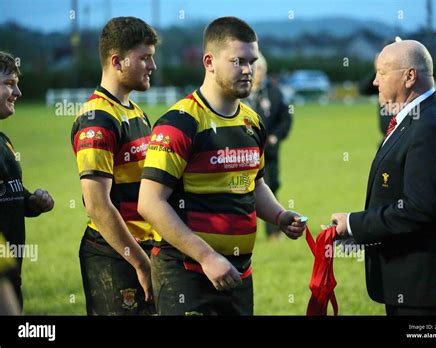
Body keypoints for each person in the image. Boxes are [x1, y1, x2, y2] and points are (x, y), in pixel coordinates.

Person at [138, 16, 306, 316]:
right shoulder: (179, 123)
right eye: (238, 61)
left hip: (238, 273)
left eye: (252, 61)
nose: (248, 71)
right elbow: (150, 203)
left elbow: (253, 184)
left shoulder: (252, 121)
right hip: (187, 273)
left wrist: (279, 215)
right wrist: (206, 256)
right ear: (209, 62)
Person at [331, 40, 436, 316]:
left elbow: (419, 210)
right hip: (415, 286)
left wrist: (353, 224)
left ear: (410, 76)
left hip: (429, 293)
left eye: (382, 73)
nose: (374, 81)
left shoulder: (432, 127)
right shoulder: (419, 118)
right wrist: (357, 235)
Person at [70, 17, 160, 315]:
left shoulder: (135, 112)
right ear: (117, 61)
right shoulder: (97, 120)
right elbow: (97, 205)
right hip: (115, 256)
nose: (152, 66)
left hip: (141, 251)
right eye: (144, 58)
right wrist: (140, 263)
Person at [0, 51, 55, 310]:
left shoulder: (3, 142)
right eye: (9, 84)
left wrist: (30, 202)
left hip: (11, 279)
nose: (18, 93)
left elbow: (9, 195)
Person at [246, 52, 293, 240]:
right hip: (245, 152)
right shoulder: (240, 93)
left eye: (261, 70)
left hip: (269, 152)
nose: (257, 73)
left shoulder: (274, 91)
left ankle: (273, 231)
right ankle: (246, 230)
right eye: (255, 69)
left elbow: (286, 118)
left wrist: (275, 136)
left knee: (270, 186)